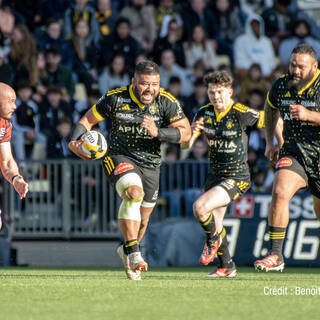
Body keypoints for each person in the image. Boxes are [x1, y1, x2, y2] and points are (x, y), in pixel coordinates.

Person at [68, 60, 191, 280]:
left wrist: (159, 132)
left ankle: (125, 249)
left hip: (151, 164)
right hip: (118, 156)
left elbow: (186, 133)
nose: (149, 89)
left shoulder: (166, 101)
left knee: (143, 221)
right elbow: (87, 120)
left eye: (154, 84)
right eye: (144, 83)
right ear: (134, 82)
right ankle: (134, 253)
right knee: (134, 193)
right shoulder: (115, 97)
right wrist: (73, 141)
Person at [182, 70, 269, 278]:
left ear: (230, 92)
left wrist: (277, 143)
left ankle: (213, 241)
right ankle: (227, 266)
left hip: (237, 176)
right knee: (215, 222)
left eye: (220, 92)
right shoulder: (203, 112)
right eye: (212, 92)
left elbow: (271, 119)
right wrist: (192, 130)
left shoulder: (241, 112)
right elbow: (186, 144)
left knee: (200, 207)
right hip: (215, 176)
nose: (216, 96)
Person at [254, 43, 320, 272]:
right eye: (293, 64)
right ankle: (275, 255)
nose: (295, 70)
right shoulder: (281, 84)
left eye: (301, 67)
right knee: (280, 190)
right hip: (294, 153)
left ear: (314, 66)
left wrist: (309, 115)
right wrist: (270, 142)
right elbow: (270, 108)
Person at [0, 82, 28, 230]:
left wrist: (16, 178)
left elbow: (6, 161)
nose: (15, 106)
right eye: (11, 101)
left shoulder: (4, 125)